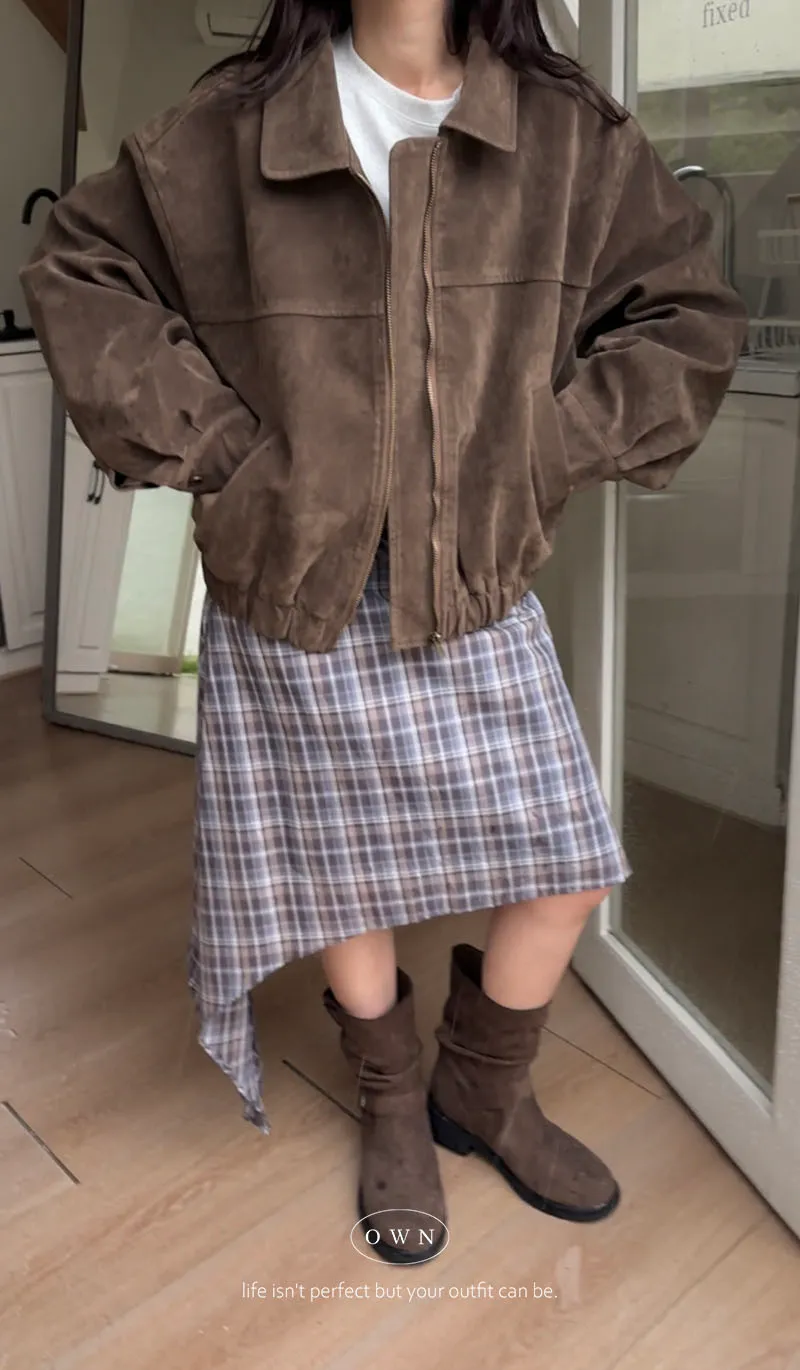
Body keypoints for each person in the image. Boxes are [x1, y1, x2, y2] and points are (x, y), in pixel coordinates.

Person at [21, 0, 746, 1266]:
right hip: (292, 576)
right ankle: (394, 1095)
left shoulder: (566, 132)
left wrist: (541, 446)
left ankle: (484, 1084)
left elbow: (684, 315)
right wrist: (226, 451)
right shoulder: (233, 123)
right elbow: (80, 274)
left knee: (564, 866)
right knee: (335, 864)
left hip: (468, 580)